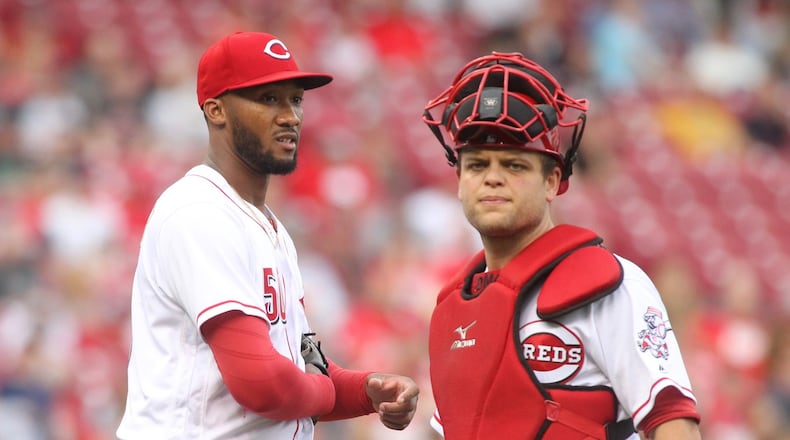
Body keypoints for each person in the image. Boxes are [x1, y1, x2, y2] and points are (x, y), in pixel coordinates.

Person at [116, 31, 419, 439]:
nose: (290, 116)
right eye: (268, 99)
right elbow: (262, 384)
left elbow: (302, 370)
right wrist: (329, 392)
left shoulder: (266, 225)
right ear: (216, 110)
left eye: (295, 99)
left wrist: (366, 391)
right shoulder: (198, 212)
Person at [421, 52, 701, 439]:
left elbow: (673, 422)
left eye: (515, 165)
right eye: (477, 165)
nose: (493, 178)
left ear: (553, 181)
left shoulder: (607, 285)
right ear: (459, 180)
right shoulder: (452, 307)